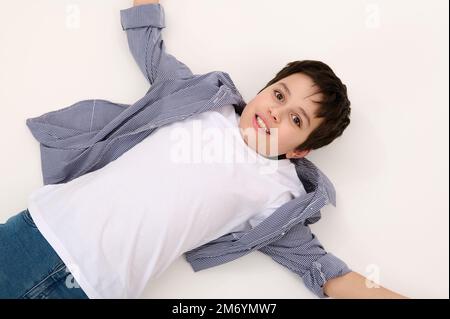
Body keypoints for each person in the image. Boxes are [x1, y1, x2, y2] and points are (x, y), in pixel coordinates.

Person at [0, 0, 407, 299]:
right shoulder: (202, 100)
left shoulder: (278, 197)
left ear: (301, 151)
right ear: (265, 89)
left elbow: (324, 271)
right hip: (41, 230)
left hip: (92, 289)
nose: (277, 113)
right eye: (279, 95)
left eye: (296, 120)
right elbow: (149, 47)